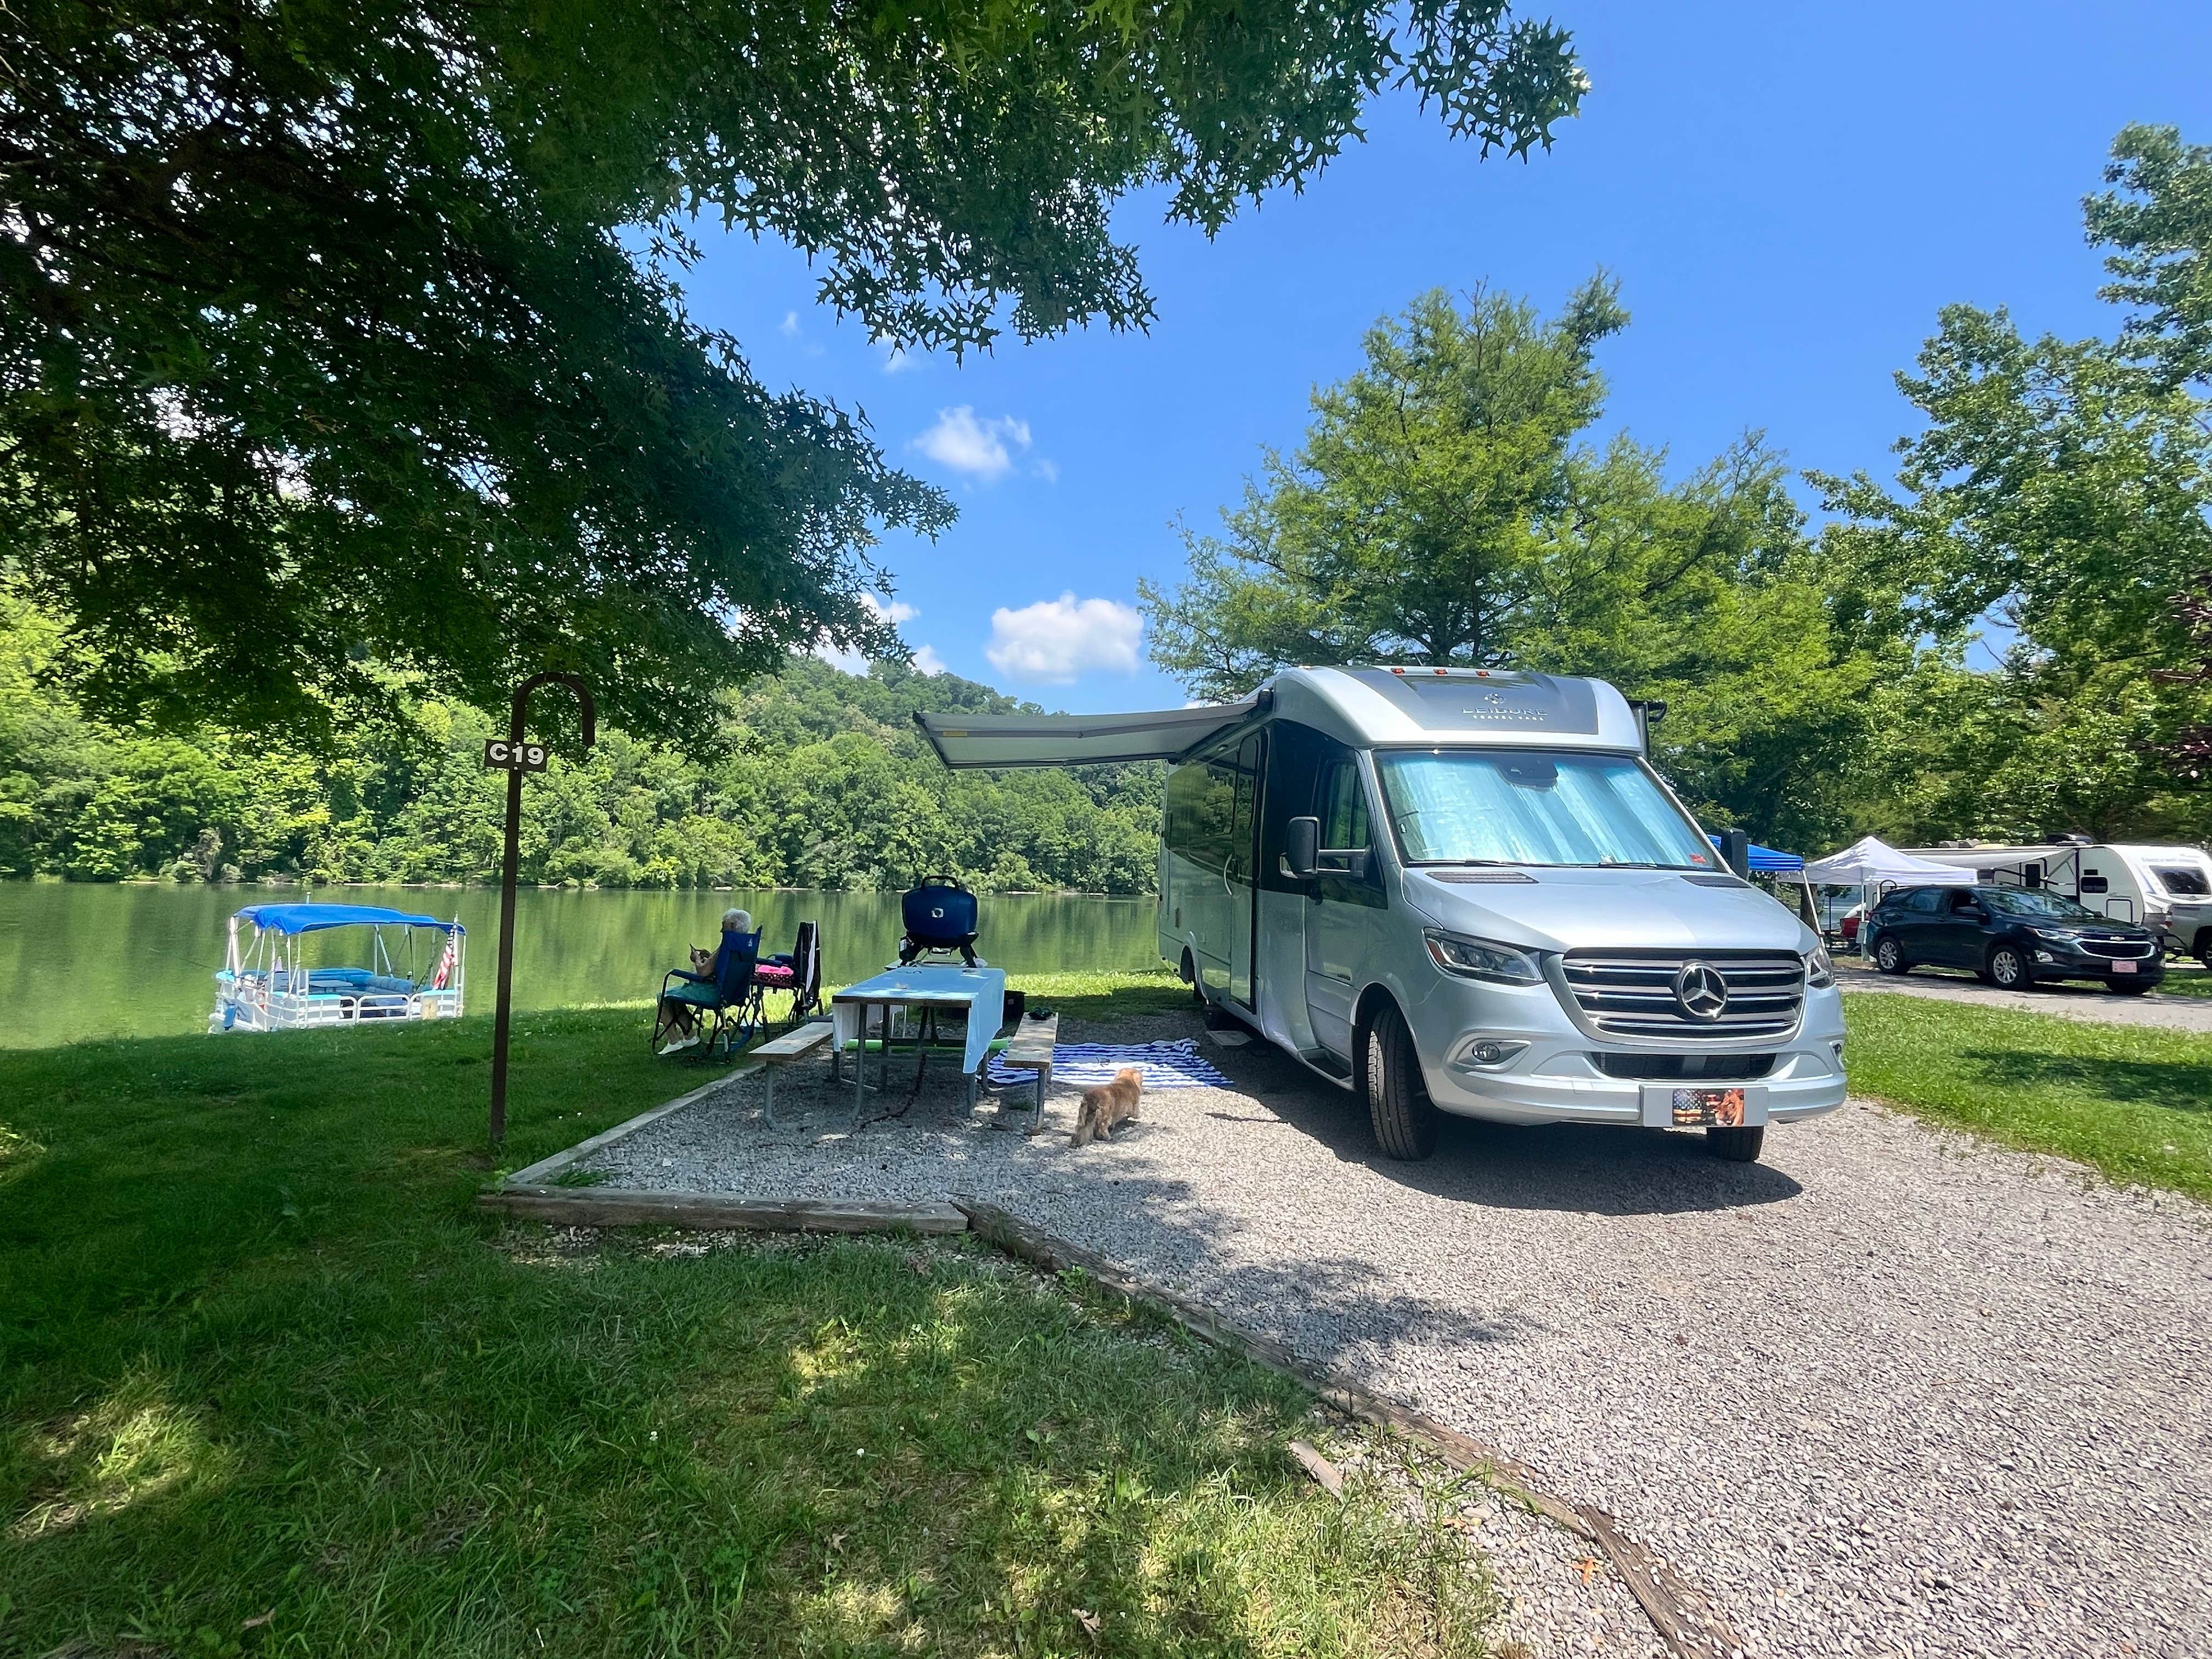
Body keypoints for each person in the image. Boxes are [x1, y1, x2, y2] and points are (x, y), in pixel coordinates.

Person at [657, 909, 752, 1054]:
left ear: (731, 926)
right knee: (676, 996)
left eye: (723, 925)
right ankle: (689, 1037)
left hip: (715, 994)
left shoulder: (728, 943)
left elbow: (703, 972)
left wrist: (697, 960)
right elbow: (723, 966)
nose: (721, 930)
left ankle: (674, 1041)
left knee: (663, 996)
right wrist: (710, 957)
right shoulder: (745, 944)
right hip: (733, 993)